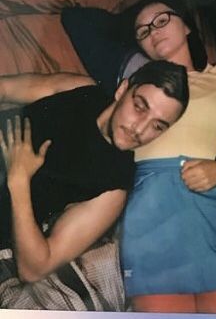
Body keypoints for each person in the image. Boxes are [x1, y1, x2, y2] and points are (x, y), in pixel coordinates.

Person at [119, 0, 216, 314]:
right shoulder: (136, 77)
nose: (153, 31)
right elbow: (77, 21)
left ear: (187, 25)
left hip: (214, 207)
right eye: (142, 31)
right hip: (153, 210)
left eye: (161, 20)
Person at [0, 60, 188, 285]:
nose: (140, 129)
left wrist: (18, 181)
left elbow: (35, 269)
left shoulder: (113, 189)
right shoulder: (82, 89)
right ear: (122, 90)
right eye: (139, 106)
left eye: (157, 126)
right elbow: (6, 89)